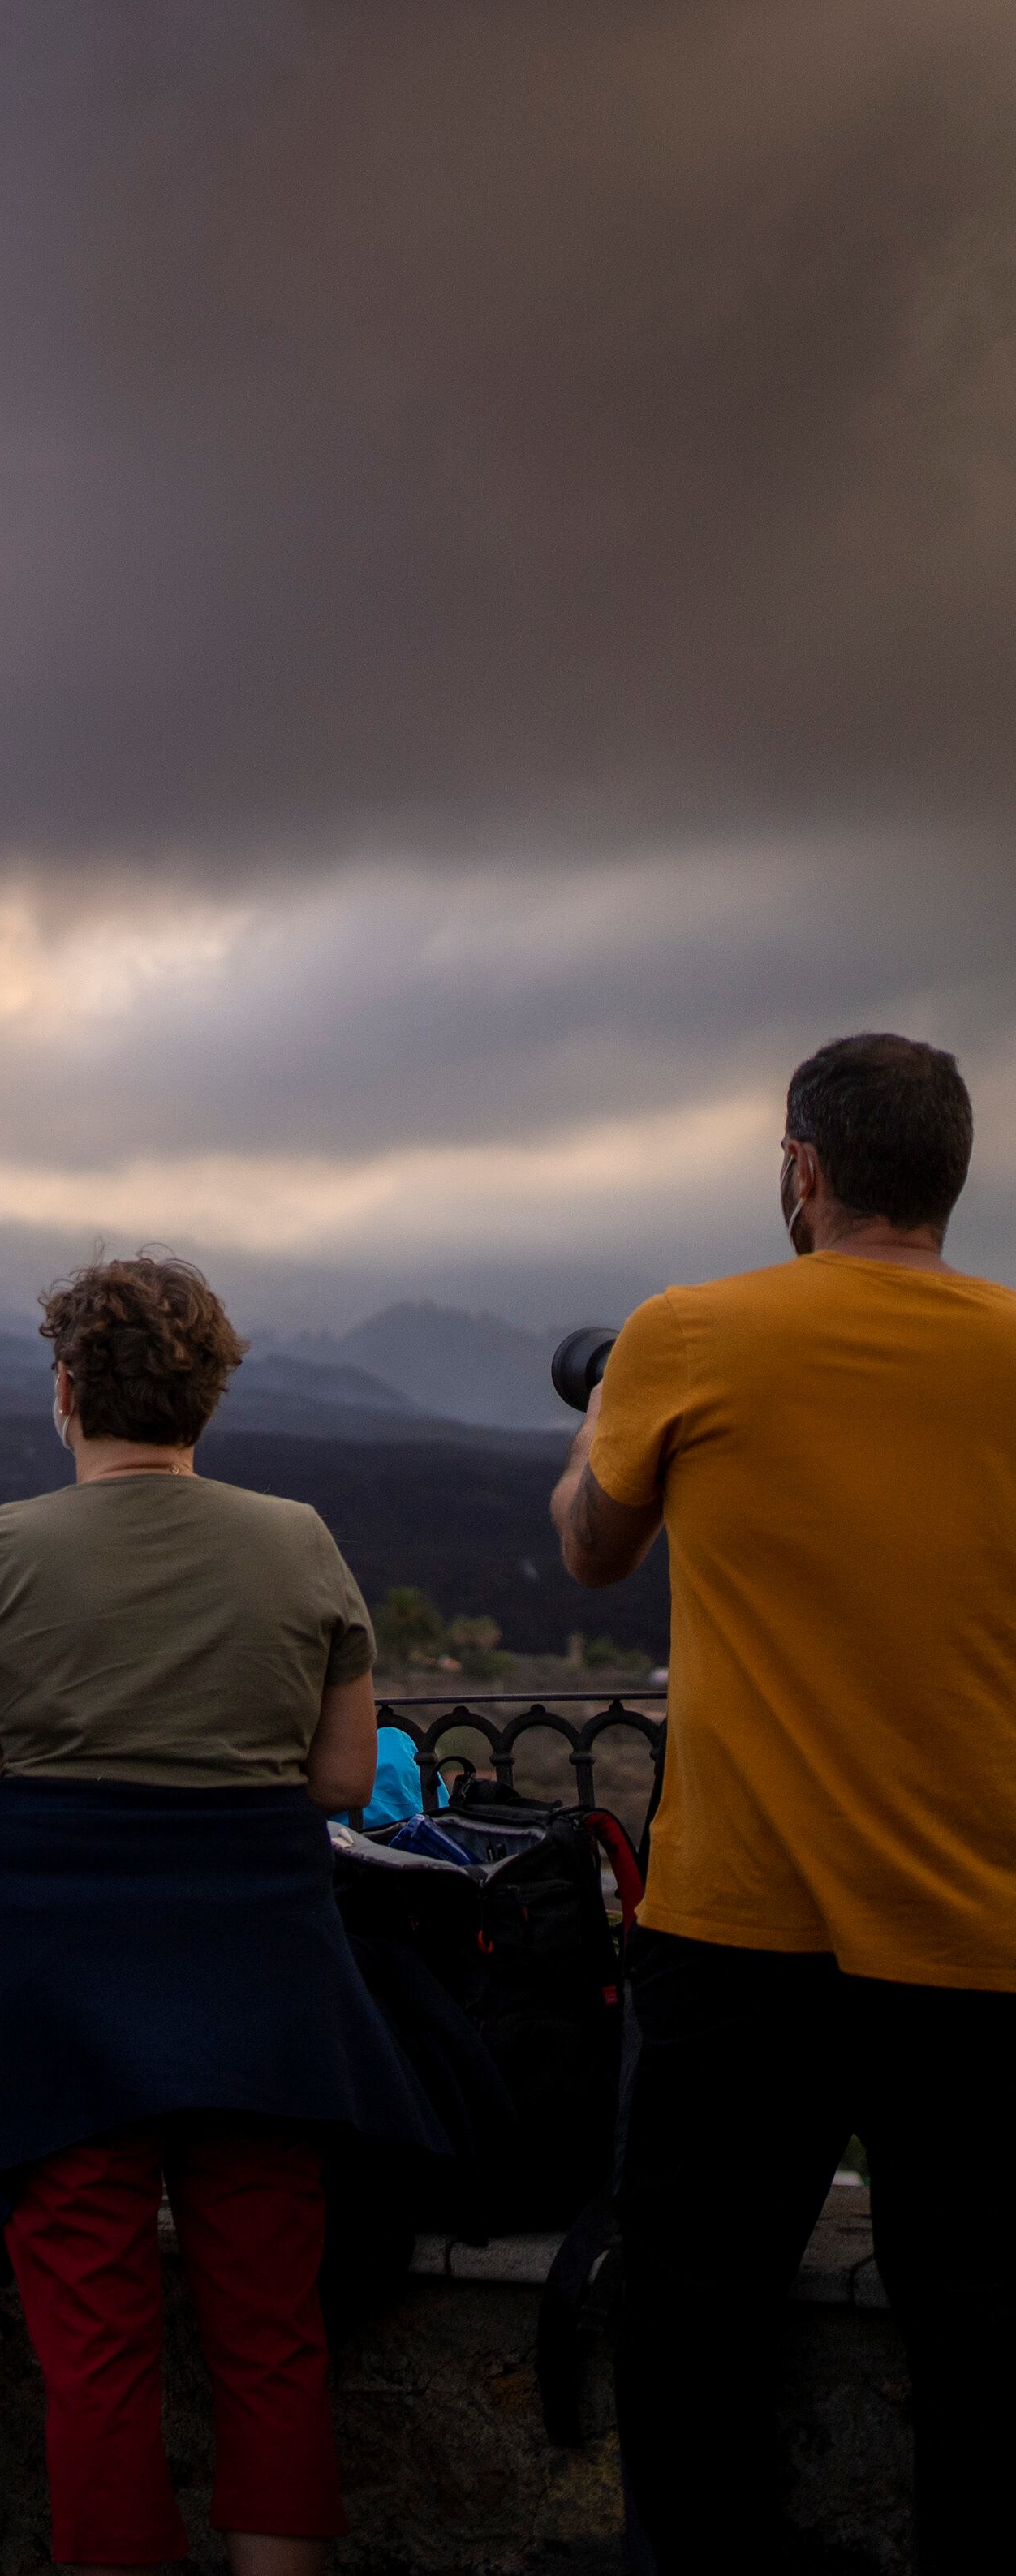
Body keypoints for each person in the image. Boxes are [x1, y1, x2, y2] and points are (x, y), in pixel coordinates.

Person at [551, 1034, 1016, 2574]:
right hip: (981, 1925)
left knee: (693, 2310)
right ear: (947, 1178)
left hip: (741, 1926)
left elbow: (592, 1549)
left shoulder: (690, 1334)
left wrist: (603, 1409)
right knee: (983, 2325)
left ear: (801, 1171)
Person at [0, 1258, 434, 2576]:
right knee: (271, 2334)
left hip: (61, 1995)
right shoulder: (300, 1540)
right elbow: (338, 1777)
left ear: (64, 1392)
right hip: (261, 1975)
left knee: (95, 2356)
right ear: (207, 1393)